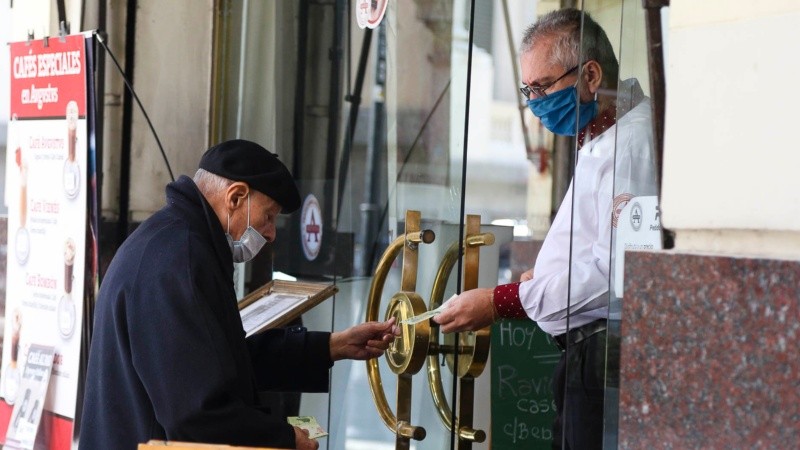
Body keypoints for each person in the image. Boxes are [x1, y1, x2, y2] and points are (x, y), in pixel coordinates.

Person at [80, 139, 399, 450]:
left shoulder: (176, 242)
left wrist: (333, 345)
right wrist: (284, 439)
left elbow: (221, 363)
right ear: (235, 197)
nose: (271, 233)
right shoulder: (181, 261)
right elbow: (198, 413)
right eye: (269, 216)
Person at [434, 8, 657, 450]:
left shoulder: (632, 142)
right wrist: (546, 279)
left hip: (605, 356)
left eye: (542, 87)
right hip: (581, 358)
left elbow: (620, 274)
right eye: (527, 89)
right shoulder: (598, 135)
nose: (534, 102)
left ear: (590, 75)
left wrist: (503, 301)